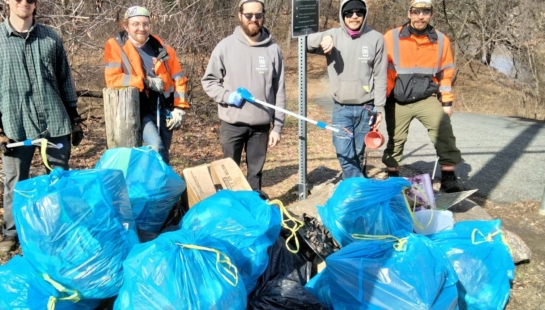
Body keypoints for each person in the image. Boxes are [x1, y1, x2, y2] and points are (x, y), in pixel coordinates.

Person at [0, 0, 82, 252]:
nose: (24, 2)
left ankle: (60, 229)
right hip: (14, 126)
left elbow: (65, 78)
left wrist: (74, 117)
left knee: (58, 180)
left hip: (54, 123)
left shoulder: (50, 38)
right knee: (16, 182)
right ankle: (11, 232)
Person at [201, 0, 286, 198]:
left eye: (258, 15)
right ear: (240, 15)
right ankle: (230, 209)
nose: (253, 19)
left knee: (255, 175)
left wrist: (278, 127)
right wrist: (226, 96)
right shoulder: (225, 47)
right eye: (249, 15)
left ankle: (253, 208)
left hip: (261, 127)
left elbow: (279, 91)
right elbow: (209, 81)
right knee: (229, 173)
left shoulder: (273, 50)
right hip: (232, 124)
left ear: (263, 16)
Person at [383, 0, 464, 192]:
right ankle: (392, 176)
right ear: (409, 13)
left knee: (443, 131)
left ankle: (449, 177)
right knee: (396, 139)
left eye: (425, 12)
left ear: (432, 14)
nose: (421, 16)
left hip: (426, 97)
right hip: (397, 99)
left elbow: (445, 73)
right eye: (417, 12)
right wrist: (379, 101)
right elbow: (382, 70)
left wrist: (447, 102)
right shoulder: (391, 37)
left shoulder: (441, 40)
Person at [307, 0, 387, 179]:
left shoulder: (376, 38)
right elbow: (304, 43)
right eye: (349, 13)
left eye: (359, 12)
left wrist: (379, 108)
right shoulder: (333, 35)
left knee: (358, 152)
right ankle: (358, 184)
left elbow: (381, 76)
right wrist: (323, 38)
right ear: (343, 15)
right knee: (343, 149)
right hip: (341, 107)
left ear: (364, 14)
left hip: (366, 107)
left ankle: (351, 188)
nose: (354, 16)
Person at [104, 6, 189, 164]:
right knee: (156, 148)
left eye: (145, 24)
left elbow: (179, 79)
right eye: (136, 24)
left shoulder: (164, 49)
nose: (141, 28)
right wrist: (145, 82)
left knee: (163, 150)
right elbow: (112, 79)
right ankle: (163, 183)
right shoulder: (115, 46)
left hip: (164, 108)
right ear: (126, 26)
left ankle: (159, 184)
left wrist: (179, 109)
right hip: (138, 109)